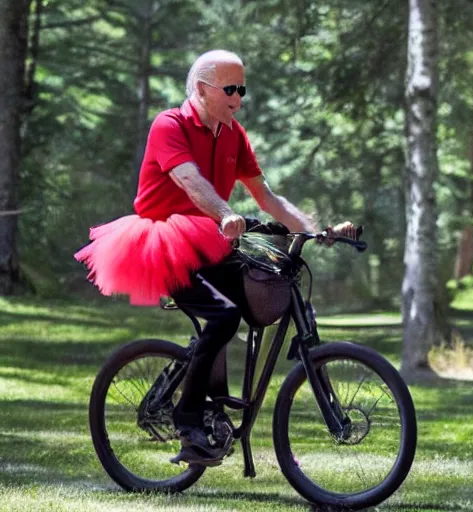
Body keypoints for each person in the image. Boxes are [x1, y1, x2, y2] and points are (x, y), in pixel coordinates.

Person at [75, 49, 356, 465]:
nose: (238, 97)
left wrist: (317, 230)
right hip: (162, 244)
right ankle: (188, 420)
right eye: (230, 89)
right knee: (223, 317)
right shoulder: (169, 124)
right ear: (202, 89)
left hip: (210, 241)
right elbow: (189, 180)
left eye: (242, 89)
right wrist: (225, 212)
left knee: (258, 293)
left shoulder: (234, 134)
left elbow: (267, 197)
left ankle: (216, 409)